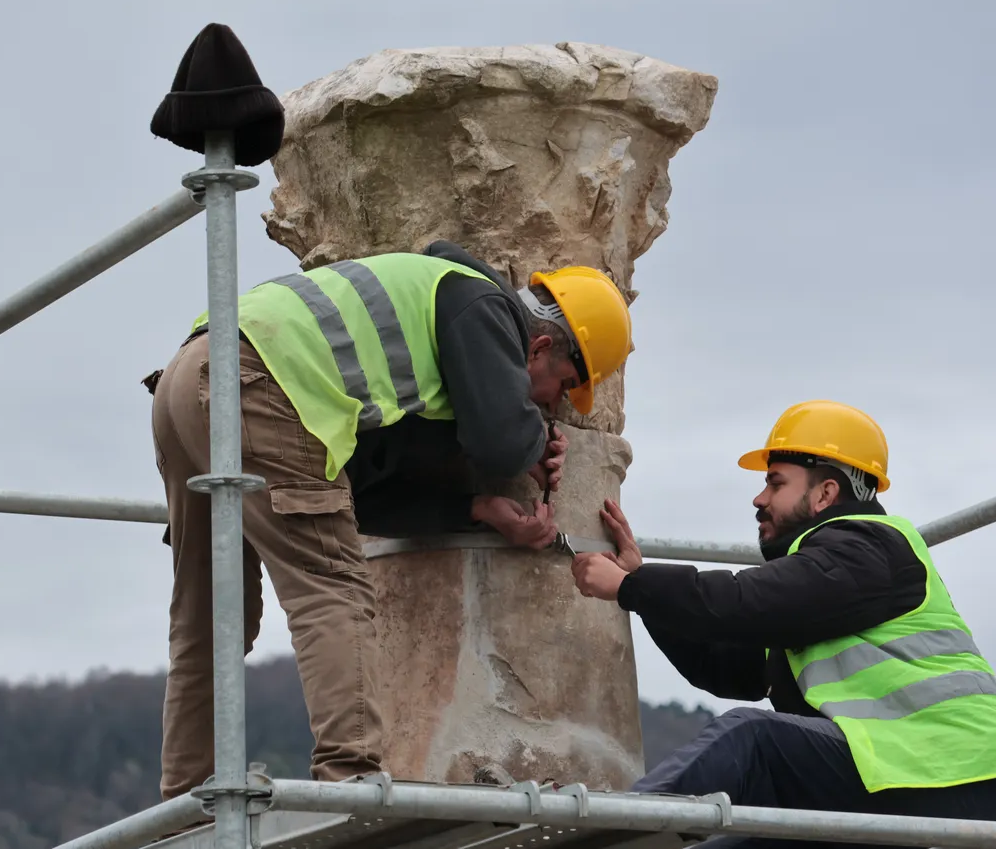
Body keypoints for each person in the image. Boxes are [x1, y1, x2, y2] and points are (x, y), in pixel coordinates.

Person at [146, 239, 633, 803]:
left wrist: (475, 509)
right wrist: (539, 440)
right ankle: (349, 781)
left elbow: (359, 502)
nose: (555, 404)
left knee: (213, 615)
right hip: (265, 379)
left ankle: (184, 798)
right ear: (539, 347)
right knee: (334, 590)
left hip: (191, 380)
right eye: (565, 387)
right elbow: (501, 442)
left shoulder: (416, 354)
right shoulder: (483, 306)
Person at [570, 399, 996, 847]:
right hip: (899, 776)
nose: (759, 498)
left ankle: (603, 833)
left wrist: (632, 586)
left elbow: (746, 601)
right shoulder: (822, 592)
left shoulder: (868, 546)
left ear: (825, 493)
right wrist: (640, 590)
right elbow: (725, 664)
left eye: (775, 483)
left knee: (752, 740)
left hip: (952, 771)